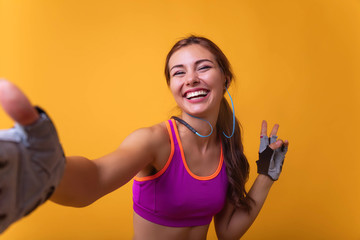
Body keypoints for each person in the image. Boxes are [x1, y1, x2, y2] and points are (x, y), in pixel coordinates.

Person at [0, 35, 288, 239]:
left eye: (203, 67)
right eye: (179, 72)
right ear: (173, 86)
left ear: (225, 78)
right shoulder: (155, 142)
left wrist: (266, 175)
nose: (191, 79)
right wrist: (47, 170)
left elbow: (227, 231)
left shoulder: (227, 145)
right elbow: (95, 178)